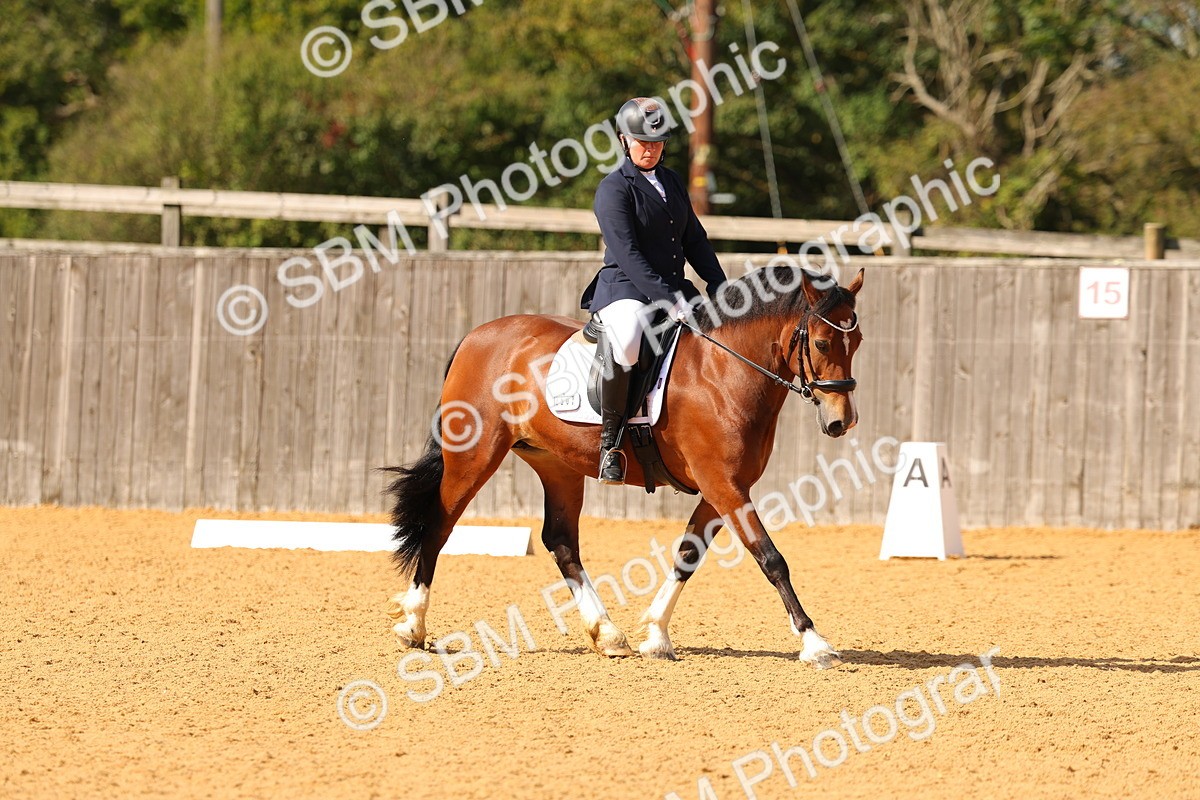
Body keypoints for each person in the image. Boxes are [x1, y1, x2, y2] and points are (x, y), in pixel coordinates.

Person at [579, 97, 728, 485]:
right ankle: (610, 444)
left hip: (675, 287)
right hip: (625, 289)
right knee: (628, 338)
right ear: (624, 140)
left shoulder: (673, 181)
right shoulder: (613, 189)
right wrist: (668, 298)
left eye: (658, 142)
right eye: (642, 141)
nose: (650, 148)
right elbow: (627, 254)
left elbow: (694, 238)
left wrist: (719, 284)